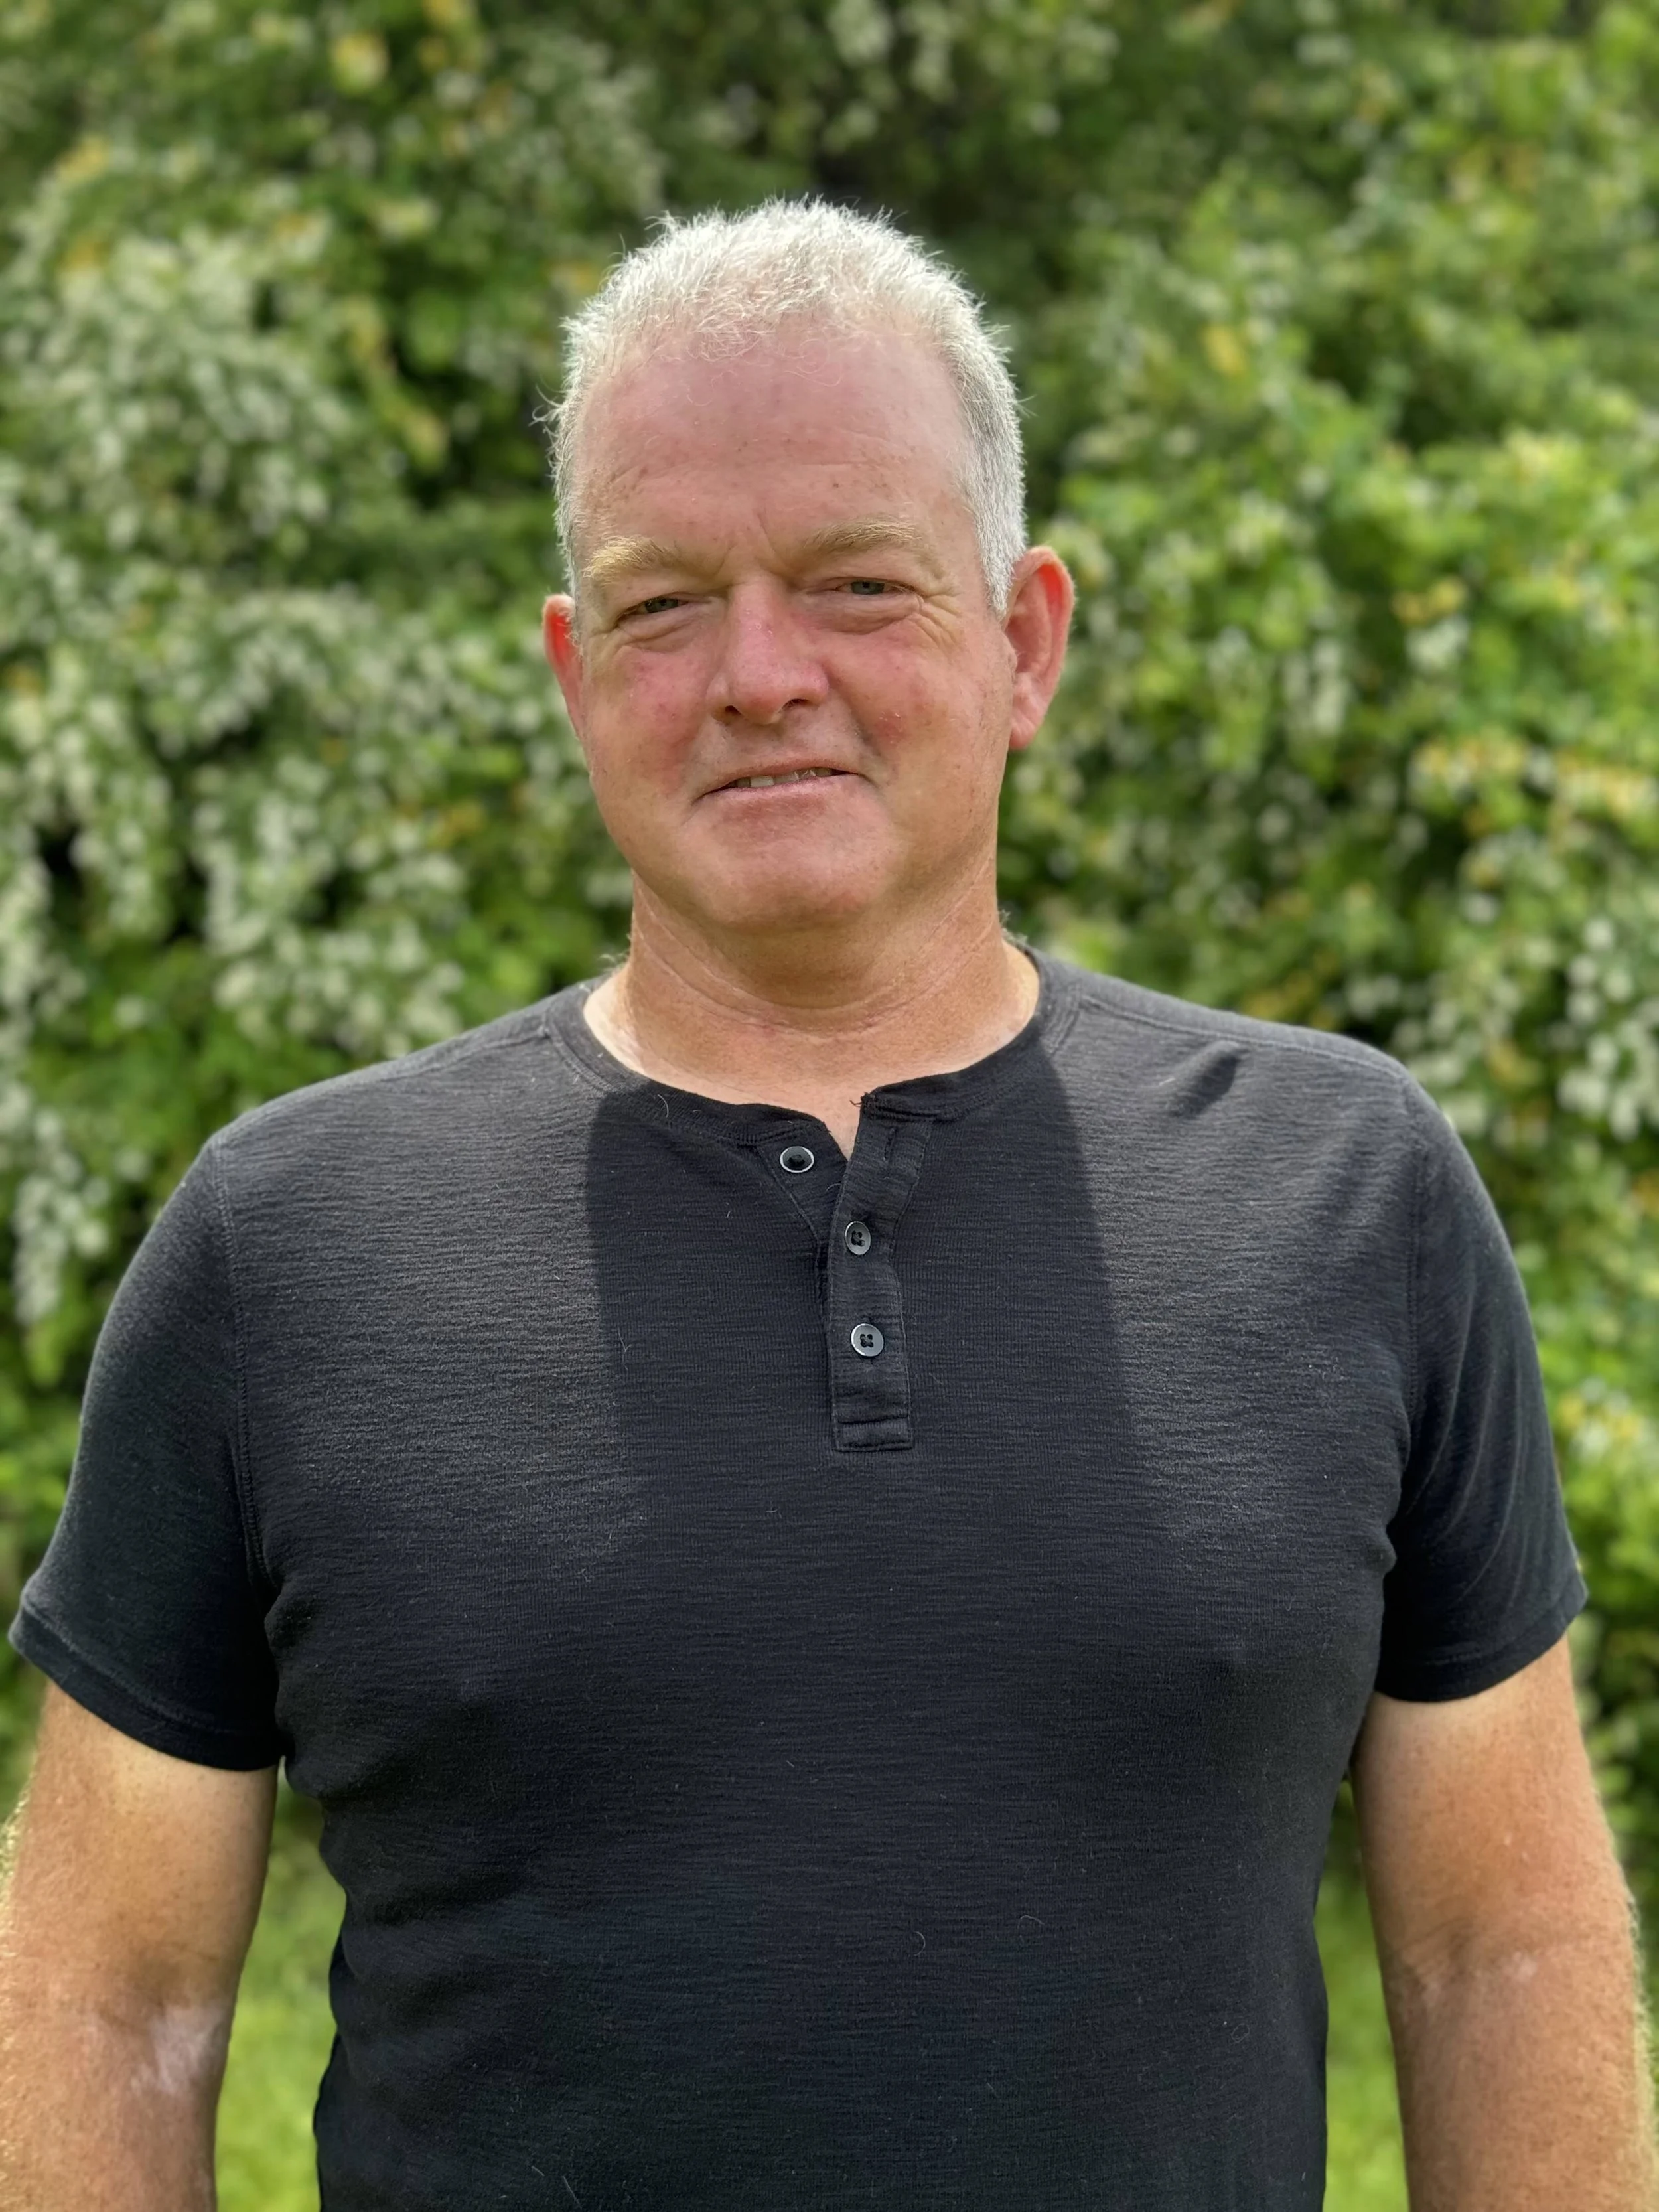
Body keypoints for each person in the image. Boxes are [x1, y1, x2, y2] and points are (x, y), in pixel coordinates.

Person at [0, 199, 1653, 2212]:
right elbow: (110, 1998)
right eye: (663, 603)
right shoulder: (289, 1246)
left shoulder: (1347, 1191)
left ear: (1024, 640)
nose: (758, 674)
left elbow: (1500, 1952)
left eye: (858, 584)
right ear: (572, 673)